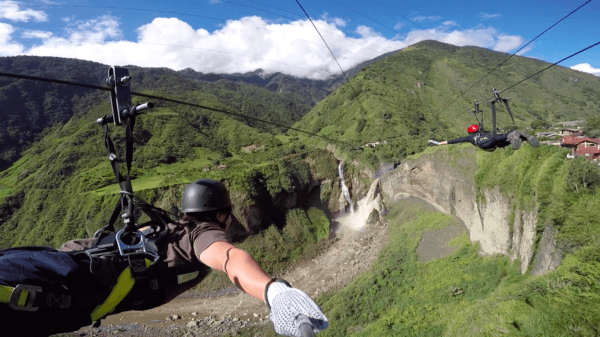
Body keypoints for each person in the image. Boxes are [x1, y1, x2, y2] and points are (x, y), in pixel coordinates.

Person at [0, 178, 328, 337]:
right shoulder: (199, 234)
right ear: (221, 215)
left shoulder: (164, 227)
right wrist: (274, 290)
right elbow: (230, 258)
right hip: (48, 290)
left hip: (42, 266)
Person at [428, 124, 539, 150]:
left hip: (485, 145)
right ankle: (517, 135)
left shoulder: (469, 138)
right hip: (492, 140)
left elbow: (453, 141)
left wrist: (438, 143)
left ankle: (520, 138)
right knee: (502, 137)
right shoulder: (485, 132)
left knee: (501, 142)